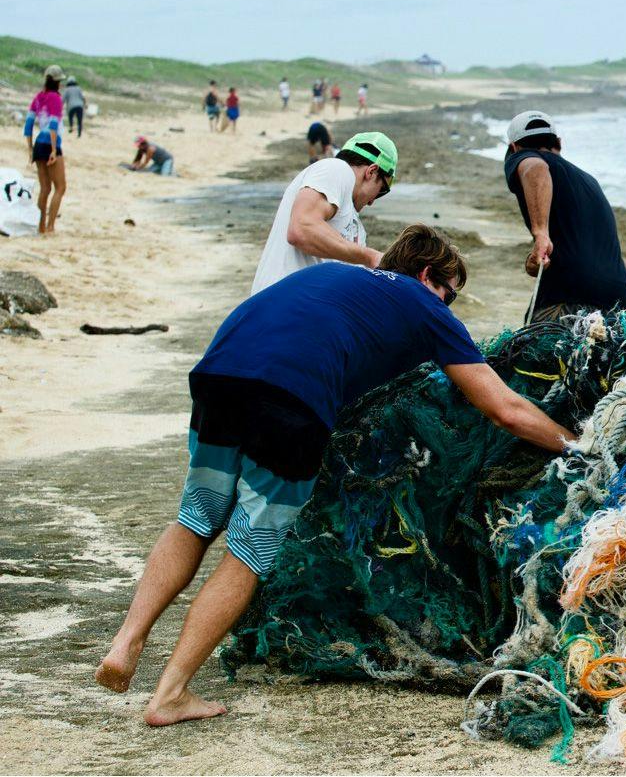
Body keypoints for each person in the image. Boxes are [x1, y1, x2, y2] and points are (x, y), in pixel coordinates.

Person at [93, 224, 585, 726]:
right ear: (425, 275)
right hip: (291, 396)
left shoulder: (335, 276)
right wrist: (579, 444)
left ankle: (126, 641)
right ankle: (170, 693)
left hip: (220, 373)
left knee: (197, 518)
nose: (448, 305)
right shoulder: (425, 306)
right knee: (249, 549)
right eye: (450, 294)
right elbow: (505, 409)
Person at [502, 110, 626, 321]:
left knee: (533, 351)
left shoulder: (524, 158)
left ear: (514, 147)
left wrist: (540, 233)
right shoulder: (588, 180)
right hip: (620, 299)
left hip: (569, 297)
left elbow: (534, 167)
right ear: (559, 143)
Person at [252, 131, 396, 293]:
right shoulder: (337, 169)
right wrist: (370, 256)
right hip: (281, 306)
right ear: (371, 171)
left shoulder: (355, 228)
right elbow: (301, 229)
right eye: (381, 191)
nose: (371, 202)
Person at [22, 65, 66, 234]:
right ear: (57, 82)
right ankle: (50, 227)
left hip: (39, 144)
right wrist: (54, 150)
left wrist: (30, 148)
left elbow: (28, 125)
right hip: (51, 144)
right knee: (60, 187)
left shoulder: (38, 97)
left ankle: (40, 226)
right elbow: (54, 125)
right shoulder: (56, 98)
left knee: (45, 188)